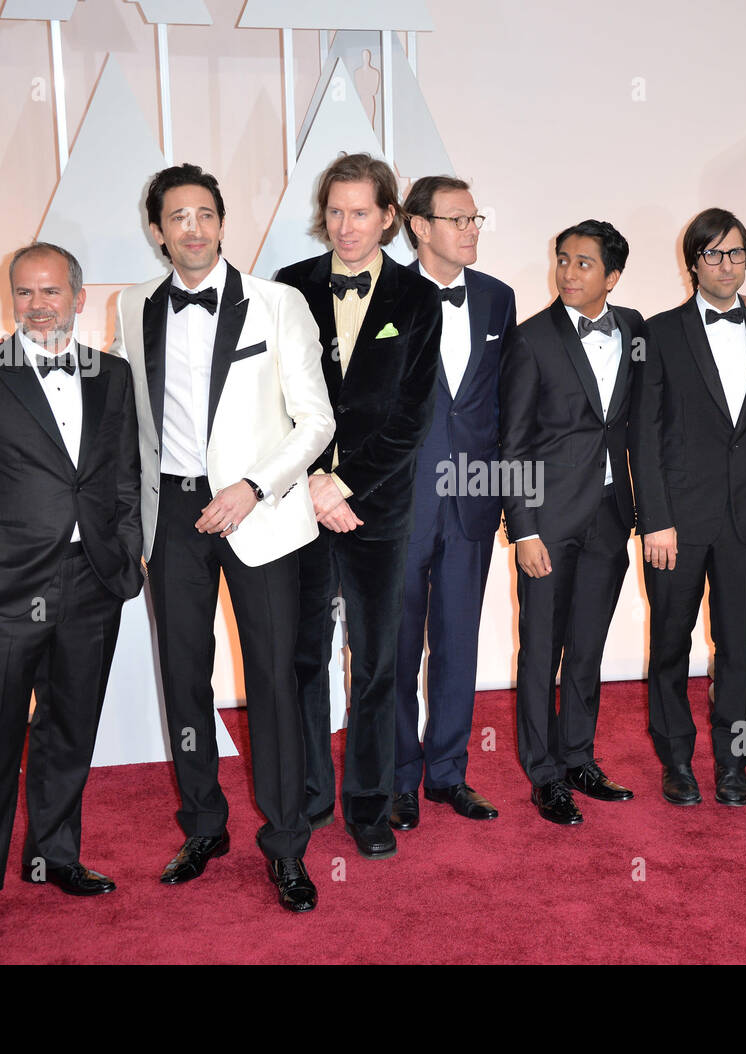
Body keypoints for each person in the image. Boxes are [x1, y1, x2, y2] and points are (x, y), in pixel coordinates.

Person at [115, 163, 334, 910]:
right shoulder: (133, 305)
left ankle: (285, 844)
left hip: (261, 513)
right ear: (157, 231)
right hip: (171, 517)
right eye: (179, 217)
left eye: (206, 213)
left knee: (272, 679)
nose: (195, 228)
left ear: (221, 221)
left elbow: (318, 420)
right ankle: (204, 824)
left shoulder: (278, 304)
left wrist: (252, 488)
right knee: (184, 678)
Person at [0, 242, 143, 943]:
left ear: (80, 298)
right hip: (6, 586)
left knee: (69, 729)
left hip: (92, 583)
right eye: (25, 293)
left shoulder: (114, 376)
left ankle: (55, 855)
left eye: (52, 291)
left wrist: (127, 558)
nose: (39, 304)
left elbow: (124, 478)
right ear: (11, 299)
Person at [276, 153, 442, 860]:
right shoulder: (288, 287)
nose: (346, 226)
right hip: (297, 506)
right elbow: (276, 402)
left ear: (388, 217)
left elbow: (411, 416)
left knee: (375, 662)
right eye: (336, 211)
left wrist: (340, 485)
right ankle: (311, 796)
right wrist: (310, 483)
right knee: (303, 658)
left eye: (361, 212)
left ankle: (369, 804)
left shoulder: (417, 297)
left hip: (376, 507)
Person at [630, 209, 746, 808]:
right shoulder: (659, 333)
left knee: (737, 646)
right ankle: (676, 760)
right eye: (713, 255)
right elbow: (643, 436)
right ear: (693, 264)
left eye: (736, 254)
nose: (726, 265)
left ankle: (734, 763)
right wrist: (654, 519)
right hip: (675, 523)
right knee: (671, 645)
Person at [501, 219, 646, 825]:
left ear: (612, 277)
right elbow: (511, 443)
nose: (567, 272)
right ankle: (544, 773)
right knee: (541, 650)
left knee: (587, 648)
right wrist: (524, 528)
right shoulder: (531, 339)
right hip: (550, 523)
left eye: (583, 263)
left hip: (611, 520)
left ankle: (579, 756)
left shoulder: (636, 330)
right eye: (562, 259)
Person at [389, 176, 517, 832]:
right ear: (419, 225)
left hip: (472, 501)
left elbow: (502, 404)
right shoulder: (382, 295)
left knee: (458, 645)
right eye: (459, 219)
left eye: (476, 218)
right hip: (401, 506)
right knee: (398, 646)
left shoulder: (497, 299)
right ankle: (398, 779)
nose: (471, 230)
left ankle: (448, 774)